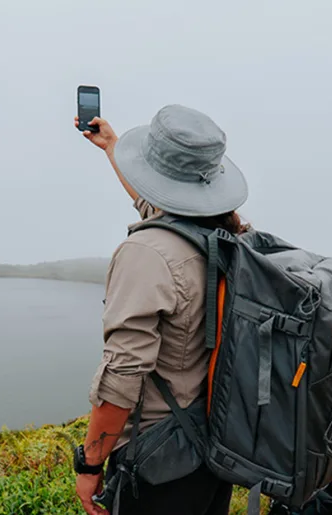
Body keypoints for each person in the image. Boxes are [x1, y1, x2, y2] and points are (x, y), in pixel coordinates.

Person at [72, 104, 250, 515]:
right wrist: (111, 148)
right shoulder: (229, 234)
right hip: (214, 444)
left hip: (159, 463)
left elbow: (122, 376)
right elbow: (156, 207)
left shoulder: (146, 254)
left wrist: (90, 464)